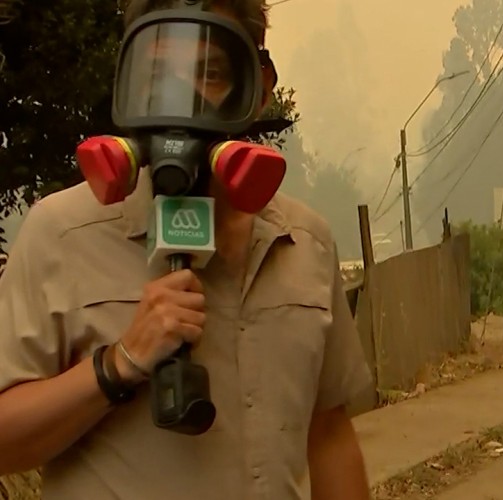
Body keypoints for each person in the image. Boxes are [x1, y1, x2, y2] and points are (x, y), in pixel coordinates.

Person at [0, 1, 372, 499]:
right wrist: (118, 364)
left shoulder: (306, 243)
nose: (181, 98)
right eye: (158, 74)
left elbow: (329, 436)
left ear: (257, 88)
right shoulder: (62, 233)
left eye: (210, 72)